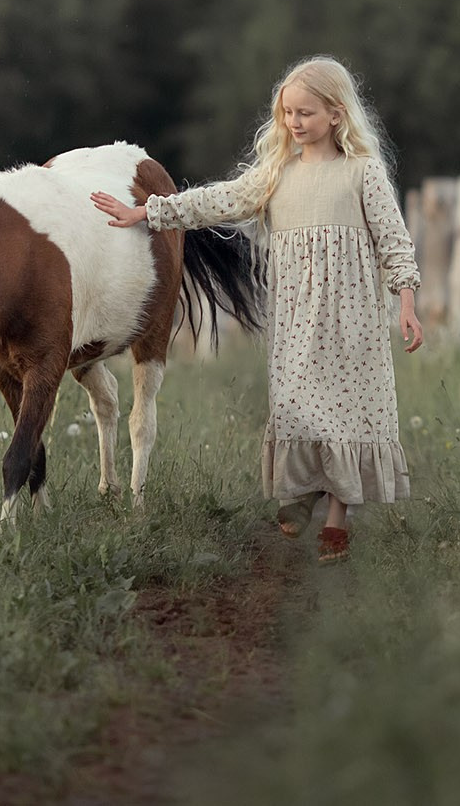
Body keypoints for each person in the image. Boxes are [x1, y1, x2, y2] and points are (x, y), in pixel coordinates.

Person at [91, 55, 424, 562]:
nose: (293, 122)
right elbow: (217, 201)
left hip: (353, 316)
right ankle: (303, 489)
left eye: (305, 113)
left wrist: (406, 301)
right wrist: (149, 211)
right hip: (295, 317)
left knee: (348, 413)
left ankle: (337, 516)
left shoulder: (363, 172)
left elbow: (394, 240)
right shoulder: (276, 173)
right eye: (287, 113)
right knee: (296, 403)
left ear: (336, 114)